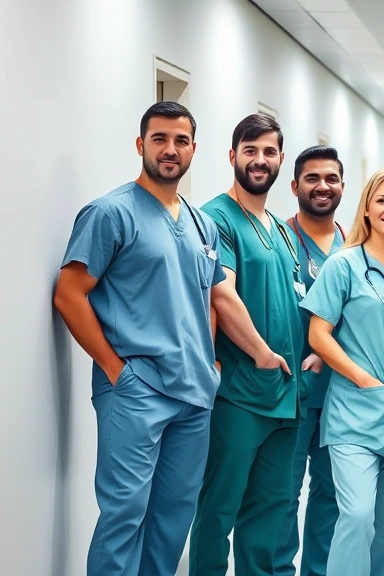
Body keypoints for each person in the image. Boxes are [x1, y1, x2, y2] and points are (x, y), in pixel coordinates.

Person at [54, 102, 288, 576]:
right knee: (124, 516)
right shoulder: (110, 213)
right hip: (137, 391)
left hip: (193, 396)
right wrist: (116, 370)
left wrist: (212, 366)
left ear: (194, 150)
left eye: (181, 141)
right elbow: (69, 295)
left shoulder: (200, 224)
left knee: (173, 520)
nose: (170, 149)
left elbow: (212, 297)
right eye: (159, 139)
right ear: (141, 145)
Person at [189, 114, 306, 576]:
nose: (260, 160)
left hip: (285, 393)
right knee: (219, 510)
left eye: (269, 151)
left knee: (271, 510)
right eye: (250, 150)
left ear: (280, 160)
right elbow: (222, 292)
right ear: (232, 155)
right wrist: (259, 351)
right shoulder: (217, 217)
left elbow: (295, 299)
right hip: (239, 392)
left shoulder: (280, 228)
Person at [302, 168, 384, 576]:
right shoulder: (344, 265)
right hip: (357, 408)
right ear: (367, 209)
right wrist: (360, 378)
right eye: (382, 201)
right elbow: (319, 334)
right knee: (356, 516)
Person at [274, 146, 348, 576]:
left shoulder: (355, 244)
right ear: (295, 185)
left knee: (332, 492)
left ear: (342, 185)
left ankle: (318, 571)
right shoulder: (279, 241)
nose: (322, 186)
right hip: (290, 391)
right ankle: (281, 569)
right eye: (312, 178)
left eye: (331, 179)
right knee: (283, 493)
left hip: (339, 392)